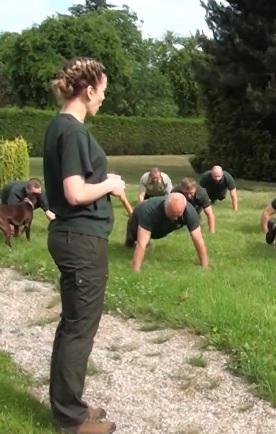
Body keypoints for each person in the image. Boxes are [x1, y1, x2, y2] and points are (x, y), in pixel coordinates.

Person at [42, 57, 125, 434]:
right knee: (79, 329)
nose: (104, 98)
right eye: (103, 91)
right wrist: (110, 184)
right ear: (89, 90)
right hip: (81, 239)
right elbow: (75, 192)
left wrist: (102, 180)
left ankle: (67, 403)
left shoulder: (59, 126)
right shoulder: (73, 131)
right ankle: (71, 419)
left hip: (72, 237)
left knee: (72, 326)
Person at [125, 193, 209, 272]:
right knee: (132, 243)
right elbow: (141, 243)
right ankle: (130, 241)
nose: (175, 218)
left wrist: (204, 264)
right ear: (165, 205)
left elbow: (198, 239)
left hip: (162, 228)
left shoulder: (189, 211)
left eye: (178, 215)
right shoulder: (148, 210)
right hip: (137, 221)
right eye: (172, 214)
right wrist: (135, 269)